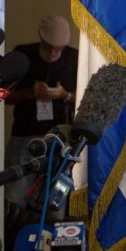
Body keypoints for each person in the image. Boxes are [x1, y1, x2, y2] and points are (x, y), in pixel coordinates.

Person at [5, 15, 78, 208]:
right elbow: (5, 97)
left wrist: (64, 95)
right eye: (49, 47)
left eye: (58, 48)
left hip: (60, 139)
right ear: (41, 38)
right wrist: (30, 93)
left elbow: (84, 100)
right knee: (15, 195)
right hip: (25, 135)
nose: (54, 52)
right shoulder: (22, 56)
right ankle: (13, 234)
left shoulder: (74, 58)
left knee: (56, 200)